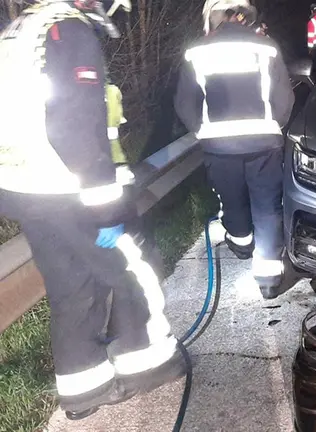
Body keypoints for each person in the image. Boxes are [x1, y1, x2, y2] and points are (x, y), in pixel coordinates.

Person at [0, 0, 185, 421]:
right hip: (68, 187)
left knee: (70, 286)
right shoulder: (68, 31)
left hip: (25, 189)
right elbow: (77, 128)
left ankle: (83, 389)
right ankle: (149, 365)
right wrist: (106, 208)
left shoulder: (18, 31)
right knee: (135, 269)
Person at [174, 0, 295, 299]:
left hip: (219, 146)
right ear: (245, 15)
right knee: (267, 206)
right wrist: (273, 126)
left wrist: (203, 131)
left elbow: (184, 103)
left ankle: (241, 244)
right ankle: (268, 279)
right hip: (263, 143)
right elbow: (284, 98)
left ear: (211, 17)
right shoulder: (266, 47)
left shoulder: (197, 50)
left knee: (232, 199)